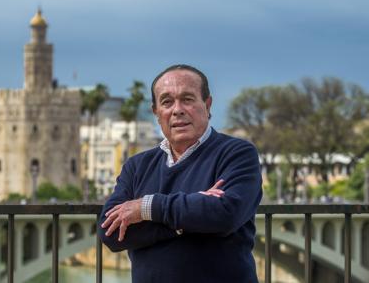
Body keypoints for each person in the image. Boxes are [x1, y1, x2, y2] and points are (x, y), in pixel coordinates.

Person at [98, 64, 262, 283]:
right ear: (156, 112)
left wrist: (145, 208)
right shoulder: (137, 166)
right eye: (167, 102)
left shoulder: (237, 154)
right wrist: (188, 218)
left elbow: (226, 214)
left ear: (207, 104)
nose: (177, 110)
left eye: (187, 99)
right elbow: (110, 234)